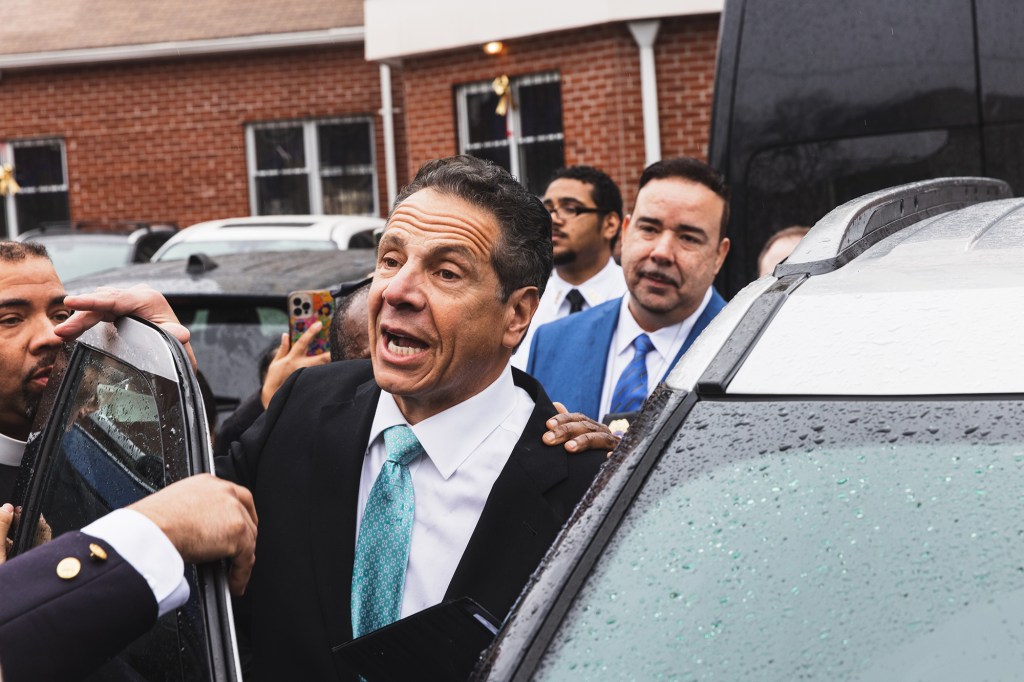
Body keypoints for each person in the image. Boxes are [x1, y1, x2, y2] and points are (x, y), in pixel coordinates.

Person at [216, 156, 608, 680]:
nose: (397, 291)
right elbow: (183, 534)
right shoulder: (302, 405)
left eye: (446, 272)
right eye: (390, 259)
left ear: (516, 315)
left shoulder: (587, 490)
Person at [0, 241, 258, 681]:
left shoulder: (95, 443)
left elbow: (214, 515)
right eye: (10, 319)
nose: (49, 335)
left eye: (61, 315)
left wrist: (172, 372)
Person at [527, 157, 731, 421]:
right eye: (649, 228)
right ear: (624, 232)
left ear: (719, 255)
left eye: (688, 238)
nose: (662, 253)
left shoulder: (749, 352)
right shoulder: (552, 341)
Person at [513, 165, 626, 368]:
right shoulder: (523, 305)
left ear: (610, 224)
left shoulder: (633, 300)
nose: (553, 219)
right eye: (548, 209)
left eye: (570, 208)